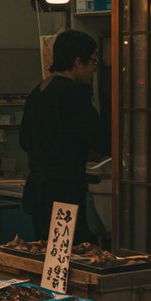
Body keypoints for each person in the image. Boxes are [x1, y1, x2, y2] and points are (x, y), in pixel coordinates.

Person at [19, 30, 110, 244]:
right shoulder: (74, 93)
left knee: (46, 255)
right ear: (78, 61)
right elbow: (100, 139)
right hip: (64, 192)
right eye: (93, 61)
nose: (94, 68)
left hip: (37, 191)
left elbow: (24, 140)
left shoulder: (37, 91)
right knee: (72, 256)